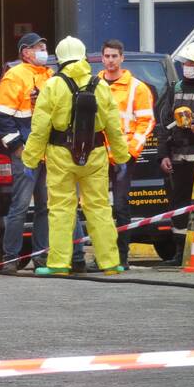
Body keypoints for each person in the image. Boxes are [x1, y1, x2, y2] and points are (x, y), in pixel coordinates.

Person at [22, 36, 130, 276]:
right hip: (96, 153)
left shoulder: (53, 85)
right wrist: (121, 157)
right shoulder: (100, 84)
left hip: (61, 155)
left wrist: (30, 160)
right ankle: (110, 263)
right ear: (83, 56)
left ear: (59, 58)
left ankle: (59, 264)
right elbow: (113, 124)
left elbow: (40, 127)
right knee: (99, 207)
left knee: (61, 209)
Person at [0, 33, 84, 274]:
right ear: (25, 52)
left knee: (45, 206)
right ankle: (10, 257)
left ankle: (40, 256)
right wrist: (18, 148)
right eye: (38, 47)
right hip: (26, 154)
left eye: (44, 46)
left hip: (48, 153)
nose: (44, 50)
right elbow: (2, 118)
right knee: (20, 206)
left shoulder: (50, 76)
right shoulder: (14, 77)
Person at [97, 39, 155, 268]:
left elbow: (146, 121)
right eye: (107, 56)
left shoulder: (137, 88)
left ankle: (121, 257)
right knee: (98, 207)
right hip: (97, 155)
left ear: (122, 58)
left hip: (123, 156)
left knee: (120, 206)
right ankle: (104, 256)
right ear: (102, 58)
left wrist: (131, 150)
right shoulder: (94, 84)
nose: (110, 60)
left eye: (114, 56)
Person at [157, 41, 194, 265]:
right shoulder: (175, 89)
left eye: (190, 63)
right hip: (179, 159)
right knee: (179, 206)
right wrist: (163, 155)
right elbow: (164, 124)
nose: (185, 67)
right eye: (184, 63)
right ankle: (180, 253)